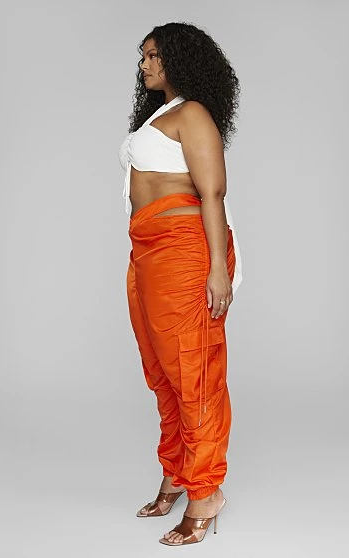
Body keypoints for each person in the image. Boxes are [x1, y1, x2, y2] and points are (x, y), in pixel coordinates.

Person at [118, 22, 242, 546]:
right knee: (162, 372)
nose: (144, 64)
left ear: (180, 59)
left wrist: (217, 269)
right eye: (143, 56)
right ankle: (176, 472)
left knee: (193, 371)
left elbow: (212, 194)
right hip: (147, 251)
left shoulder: (192, 114)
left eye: (154, 56)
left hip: (185, 251)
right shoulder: (160, 115)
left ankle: (206, 493)